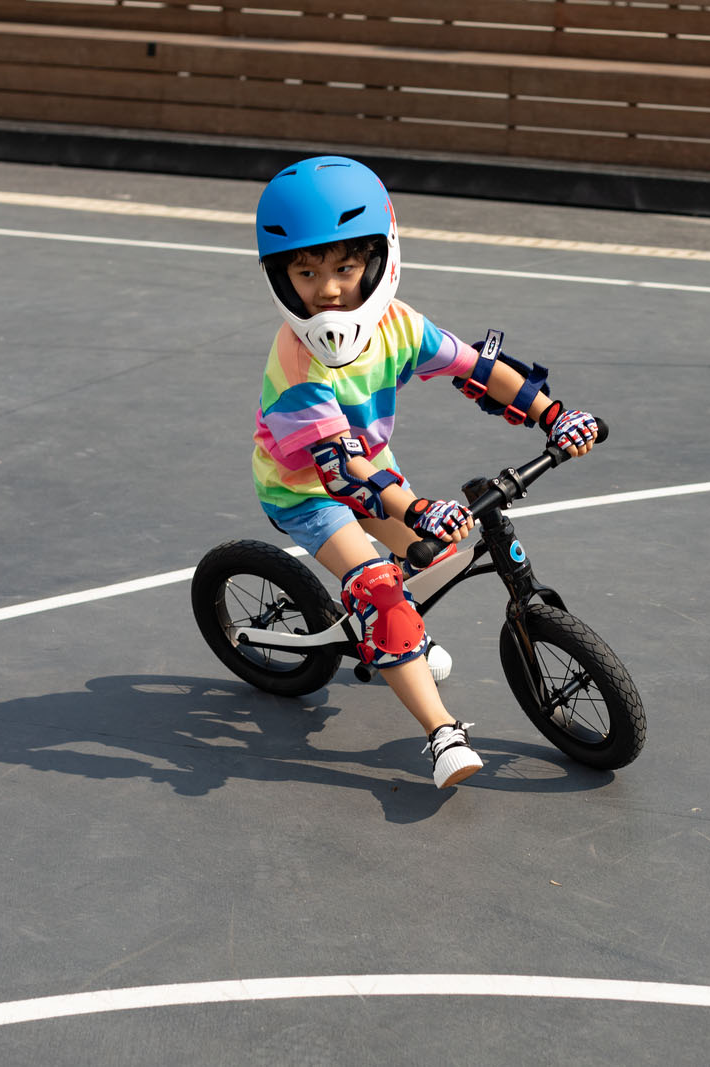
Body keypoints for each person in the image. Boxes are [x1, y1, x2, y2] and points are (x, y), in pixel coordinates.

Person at [249, 156, 599, 788]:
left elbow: (478, 368)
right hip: (305, 490)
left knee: (439, 552)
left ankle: (394, 629)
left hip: (371, 471)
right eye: (306, 271)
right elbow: (339, 465)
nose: (327, 290)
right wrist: (412, 508)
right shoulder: (295, 365)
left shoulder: (398, 324)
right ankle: (442, 735)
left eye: (345, 268)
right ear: (281, 275)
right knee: (383, 590)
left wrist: (553, 413)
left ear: (378, 261)